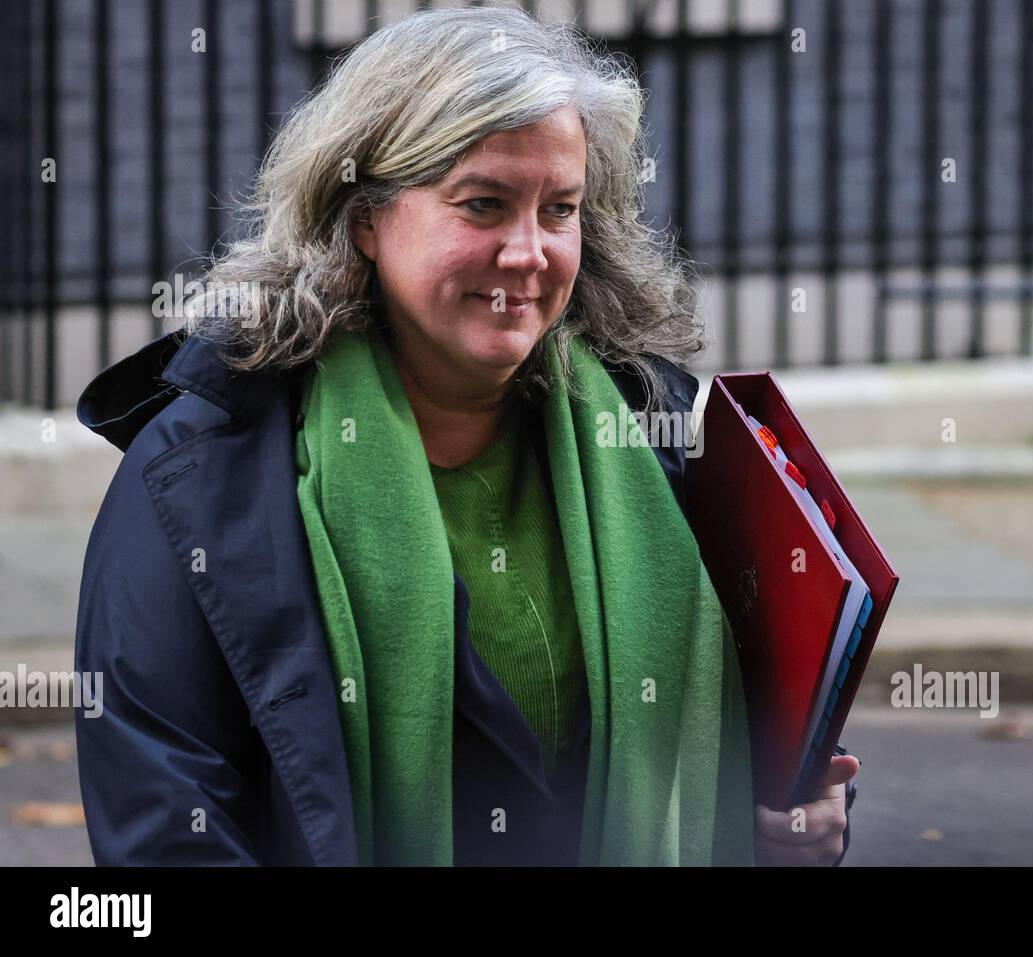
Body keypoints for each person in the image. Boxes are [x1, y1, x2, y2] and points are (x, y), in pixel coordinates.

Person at [73, 5, 858, 866]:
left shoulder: (655, 429)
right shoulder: (201, 470)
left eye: (557, 209)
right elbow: (165, 828)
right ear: (364, 216)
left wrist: (786, 820)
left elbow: (754, 716)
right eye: (483, 204)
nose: (528, 253)